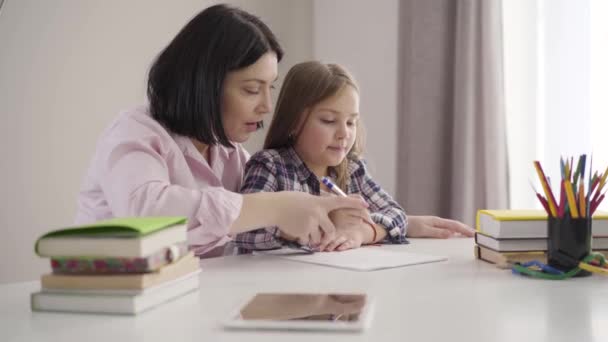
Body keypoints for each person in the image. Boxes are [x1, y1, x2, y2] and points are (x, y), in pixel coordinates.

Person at [73, 4, 368, 257]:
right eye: (252, 89)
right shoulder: (135, 133)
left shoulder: (231, 156)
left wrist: (306, 224)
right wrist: (275, 206)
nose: (267, 106)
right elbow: (146, 211)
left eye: (270, 88)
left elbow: (244, 233)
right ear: (205, 84)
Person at [235, 62, 474, 252]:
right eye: (329, 121)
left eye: (351, 122)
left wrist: (361, 233)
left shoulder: (352, 169)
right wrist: (314, 225)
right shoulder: (269, 165)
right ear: (294, 122)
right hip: (275, 290)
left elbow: (397, 215)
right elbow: (242, 233)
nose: (344, 133)